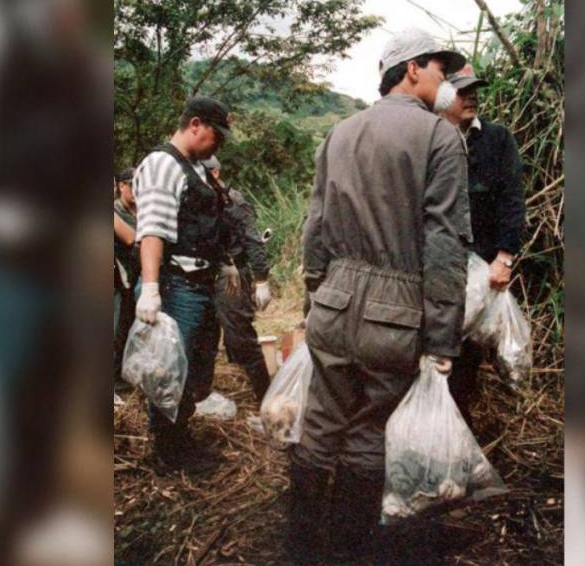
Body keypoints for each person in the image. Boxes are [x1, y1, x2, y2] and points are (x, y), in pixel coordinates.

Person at [289, 28, 470, 563]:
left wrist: (315, 301)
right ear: (412, 69)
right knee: (369, 435)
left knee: (319, 426)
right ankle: (347, 553)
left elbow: (314, 228)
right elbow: (444, 245)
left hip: (334, 299)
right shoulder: (440, 138)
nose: (447, 81)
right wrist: (442, 338)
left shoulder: (339, 133)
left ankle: (300, 549)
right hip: (394, 312)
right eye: (441, 69)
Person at [132, 96, 238, 472]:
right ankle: (169, 451)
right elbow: (152, 231)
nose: (219, 145)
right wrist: (150, 288)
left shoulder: (195, 169)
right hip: (177, 284)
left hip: (200, 281)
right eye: (216, 135)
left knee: (195, 364)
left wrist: (223, 265)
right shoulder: (164, 165)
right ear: (195, 124)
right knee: (171, 369)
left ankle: (181, 438)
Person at [439, 64, 525, 426]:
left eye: (475, 89)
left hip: (483, 269)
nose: (472, 96)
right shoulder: (430, 137)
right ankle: (432, 426)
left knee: (468, 354)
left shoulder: (496, 140)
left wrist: (504, 258)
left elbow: (512, 200)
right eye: (462, 91)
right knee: (435, 348)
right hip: (439, 266)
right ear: (444, 96)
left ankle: (459, 428)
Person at [204, 156, 273, 404]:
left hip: (232, 274)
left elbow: (253, 241)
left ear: (216, 173)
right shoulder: (198, 200)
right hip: (206, 274)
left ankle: (265, 397)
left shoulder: (235, 201)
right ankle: (203, 394)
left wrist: (262, 279)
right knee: (205, 337)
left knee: (240, 338)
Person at [113, 168, 137, 390]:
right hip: (119, 279)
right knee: (117, 329)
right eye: (132, 184)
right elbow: (131, 239)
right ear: (122, 186)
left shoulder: (143, 210)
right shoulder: (115, 212)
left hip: (137, 279)